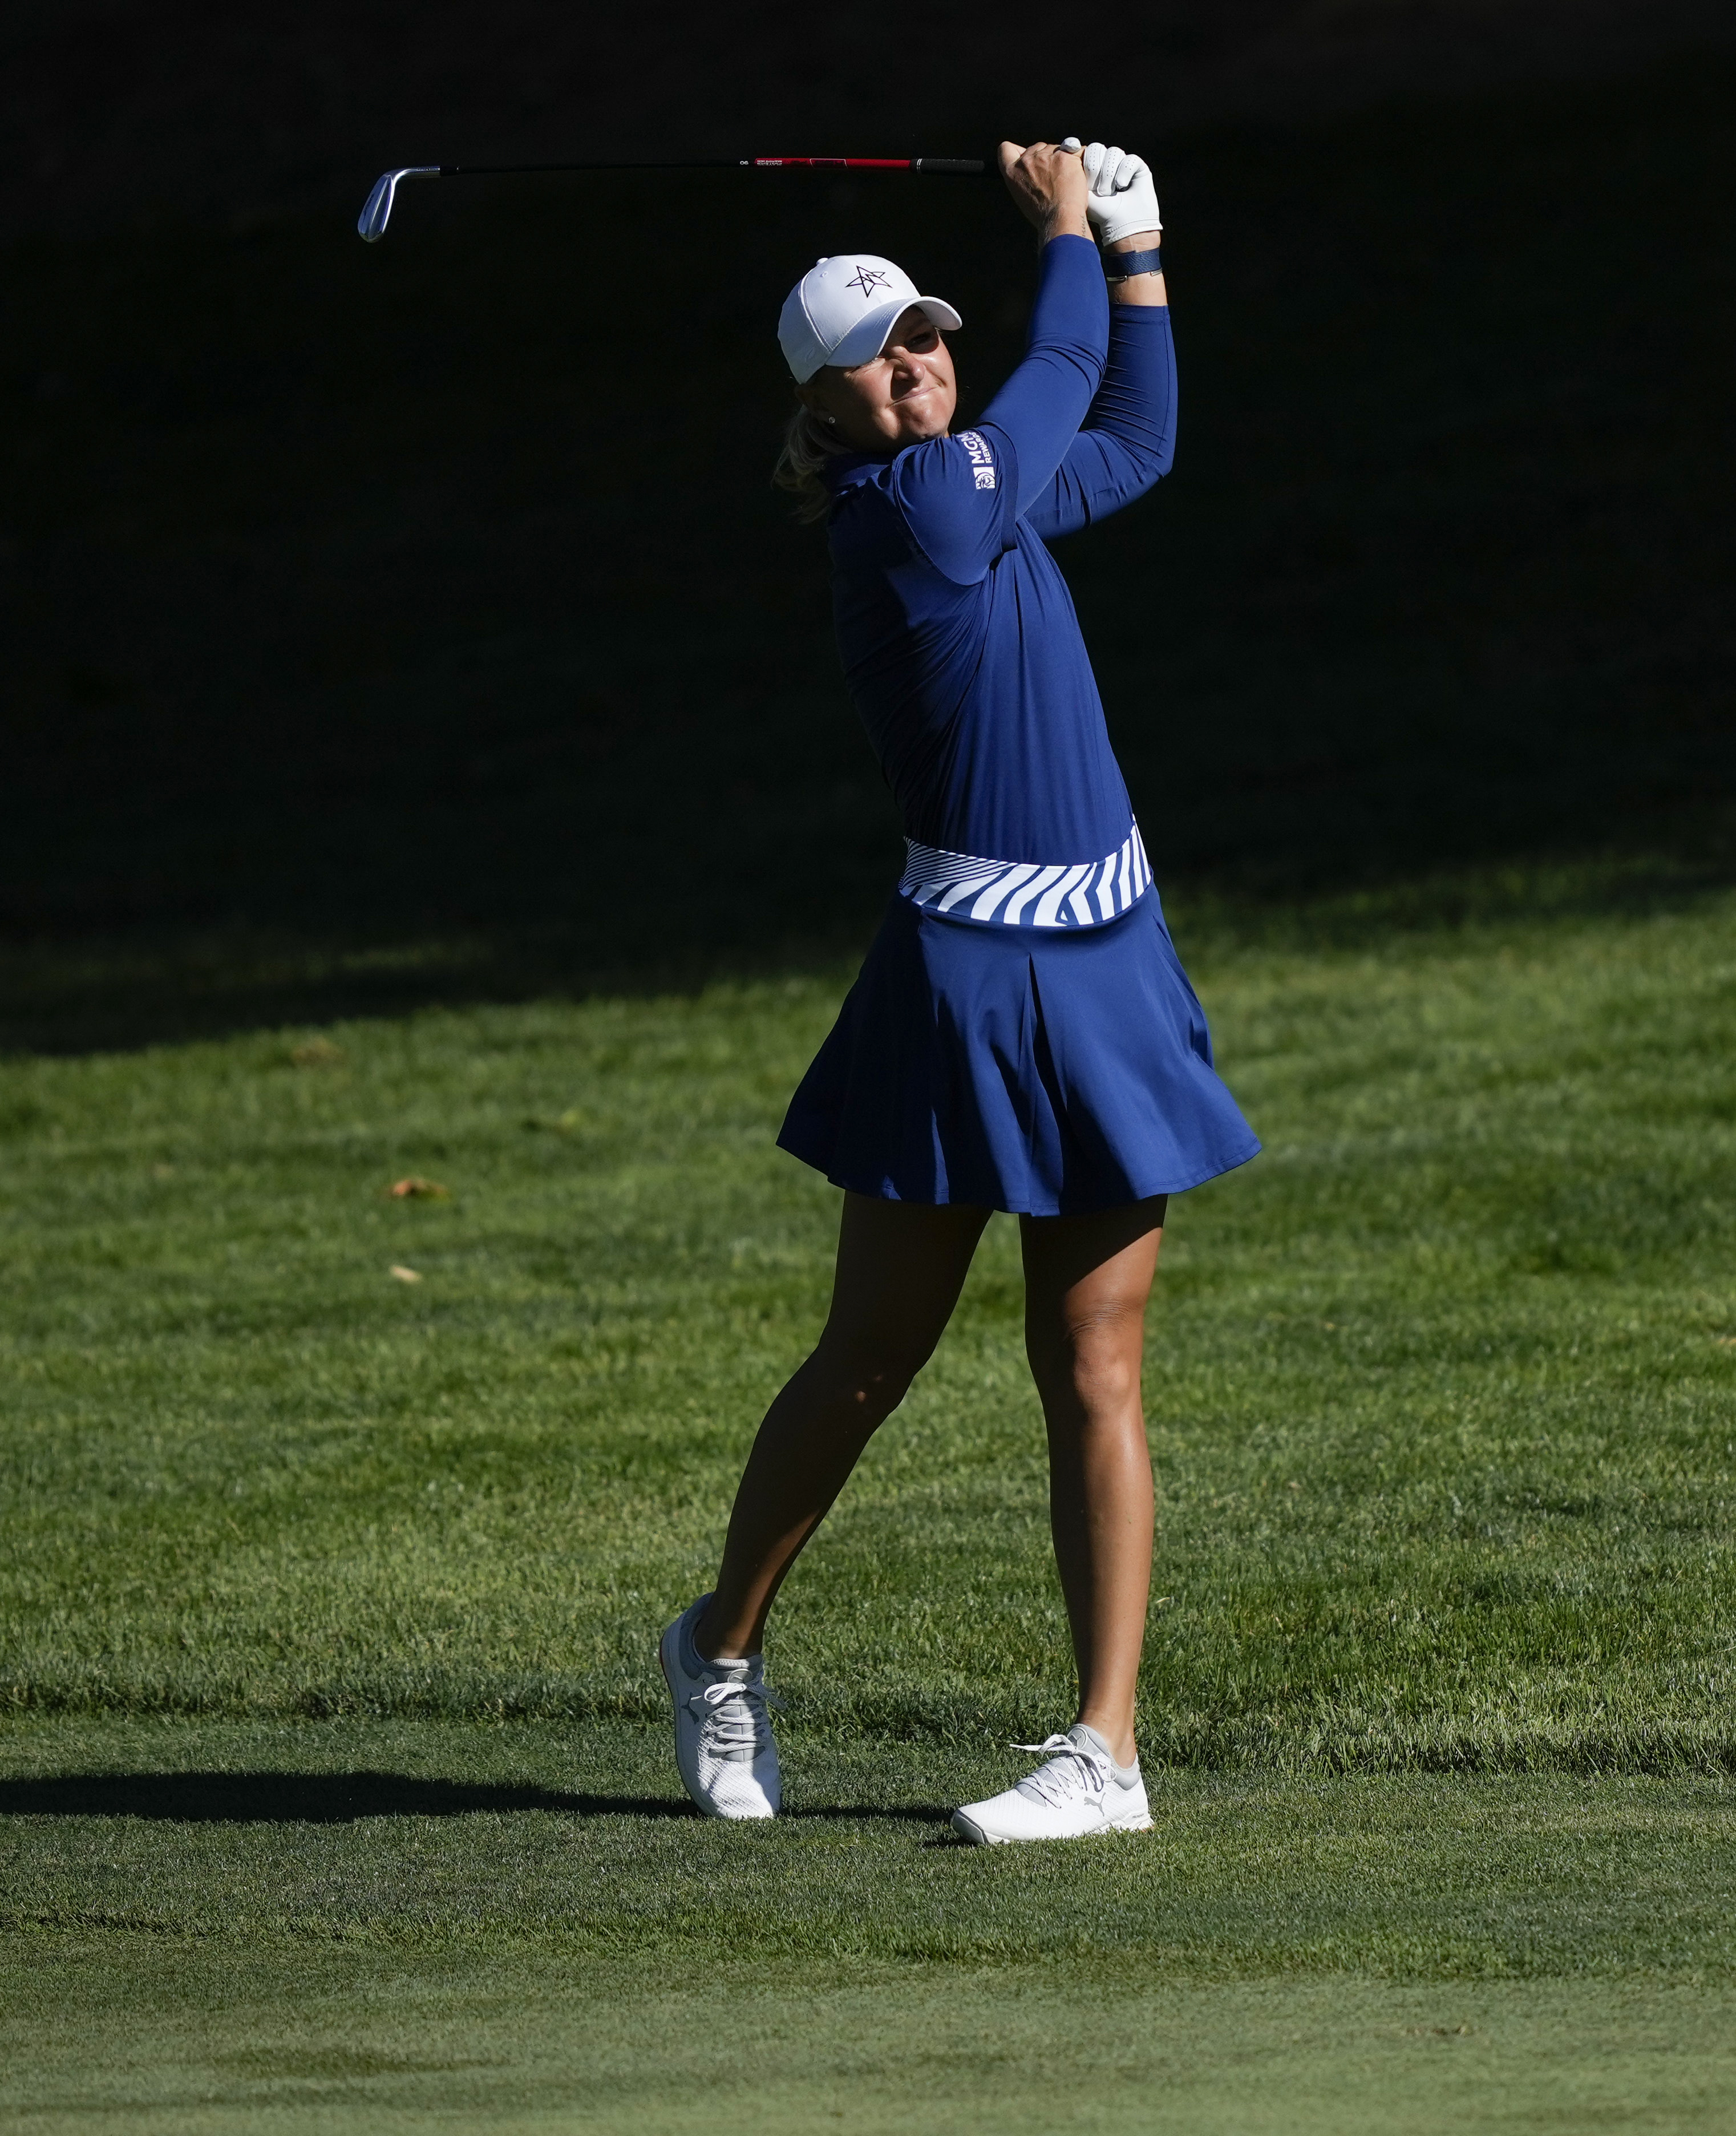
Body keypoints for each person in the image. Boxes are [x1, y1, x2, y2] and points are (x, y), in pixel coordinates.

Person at [657, 138, 1255, 1846]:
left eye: (925, 335)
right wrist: (1067, 231)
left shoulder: (980, 475)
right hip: (967, 981)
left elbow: (1129, 434)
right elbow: (1061, 375)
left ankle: (1106, 1754)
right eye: (875, 353)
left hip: (1108, 952)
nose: (913, 361)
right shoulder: (911, 510)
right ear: (824, 403)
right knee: (871, 1356)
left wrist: (1138, 253)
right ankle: (718, 1649)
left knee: (1099, 1358)